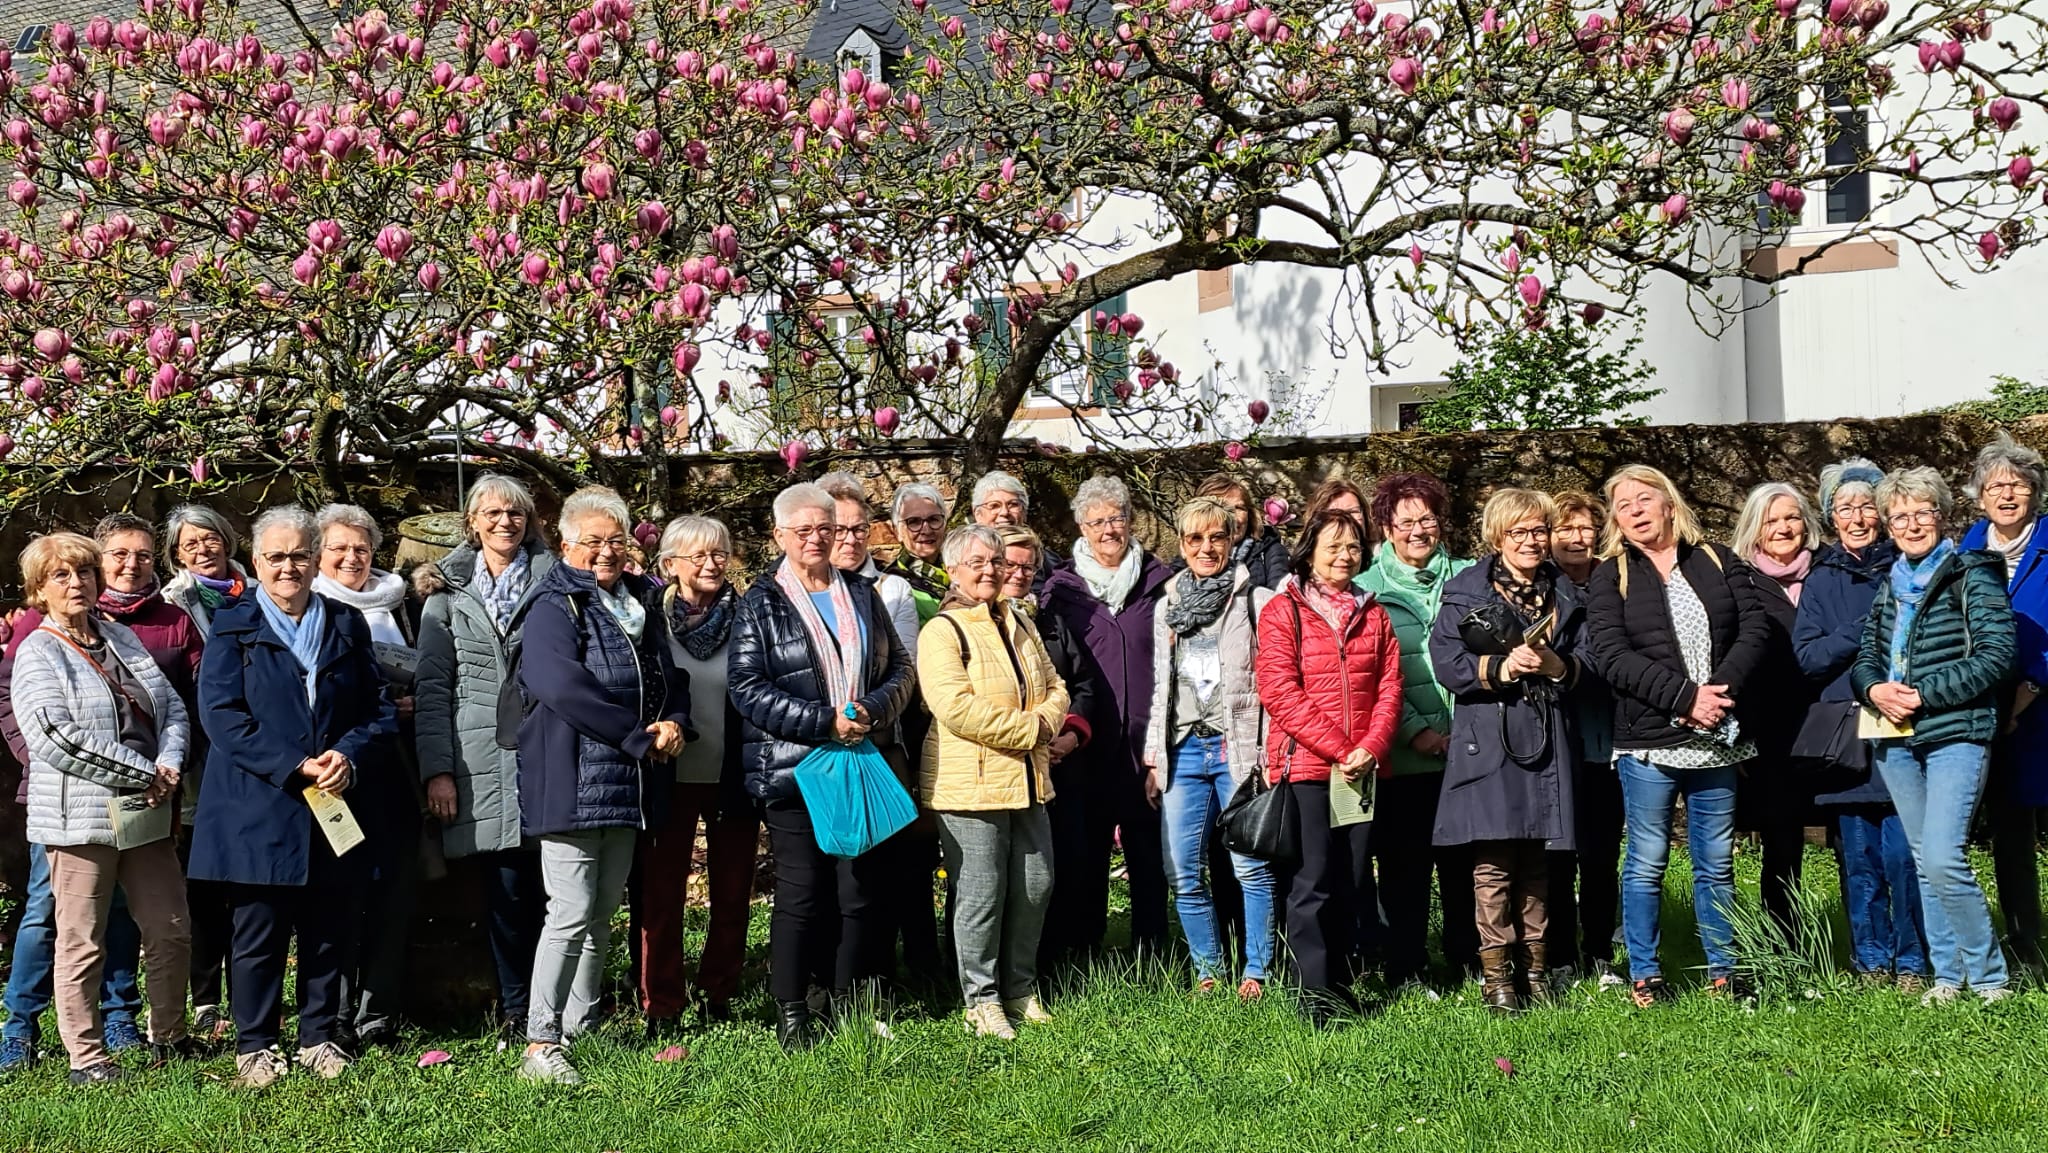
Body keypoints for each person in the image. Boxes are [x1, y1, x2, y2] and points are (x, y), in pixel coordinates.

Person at [190, 506, 400, 1089]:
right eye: (276, 557)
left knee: (328, 923)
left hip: (332, 801)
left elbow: (377, 709)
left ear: (315, 561)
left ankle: (318, 1036)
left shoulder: (344, 622)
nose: (289, 567)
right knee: (258, 932)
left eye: (300, 556)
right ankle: (255, 1044)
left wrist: (346, 757)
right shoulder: (232, 626)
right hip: (259, 803)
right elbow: (223, 717)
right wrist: (294, 765)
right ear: (256, 562)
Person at [0, 514, 208, 1071]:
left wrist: (167, 762)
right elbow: (53, 735)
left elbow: (171, 710)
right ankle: (86, 1055)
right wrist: (145, 772)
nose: (77, 583)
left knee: (169, 928)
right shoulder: (38, 650)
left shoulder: (119, 636)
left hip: (145, 810)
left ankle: (169, 1036)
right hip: (81, 818)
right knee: (81, 939)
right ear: (39, 589)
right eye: (61, 575)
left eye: (85, 572)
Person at [729, 482, 917, 1051]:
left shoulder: (862, 593)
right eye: (804, 530)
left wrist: (875, 709)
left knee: (858, 891)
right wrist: (822, 721)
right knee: (802, 894)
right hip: (793, 769)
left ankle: (848, 1000)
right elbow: (746, 688)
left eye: (826, 529)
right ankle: (792, 1009)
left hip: (860, 757)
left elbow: (901, 667)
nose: (817, 539)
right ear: (780, 535)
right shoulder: (759, 602)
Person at [514, 486, 689, 1084]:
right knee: (568, 912)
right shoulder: (552, 605)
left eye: (615, 539)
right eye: (592, 541)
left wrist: (675, 721)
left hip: (627, 783)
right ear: (566, 545)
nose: (605, 551)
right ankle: (540, 1043)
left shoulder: (641, 601)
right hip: (569, 778)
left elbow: (671, 677)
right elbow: (562, 687)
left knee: (599, 914)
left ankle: (581, 1027)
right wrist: (640, 738)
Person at [1584, 465, 1770, 1007]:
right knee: (1646, 860)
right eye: (1623, 505)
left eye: (1645, 499)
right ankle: (1645, 973)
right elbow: (1612, 656)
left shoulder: (1717, 559)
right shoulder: (1610, 575)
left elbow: (1754, 628)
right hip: (1647, 741)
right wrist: (1684, 699)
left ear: (1670, 504)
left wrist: (1715, 696)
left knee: (1716, 862)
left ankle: (1725, 971)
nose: (1636, 511)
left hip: (1719, 735)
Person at [1856, 467, 2016, 1002]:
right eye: (1899, 516)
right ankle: (1949, 977)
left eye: (1922, 512)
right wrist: (1875, 689)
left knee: (1945, 855)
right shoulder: (1890, 583)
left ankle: (1990, 978)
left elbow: (1996, 655)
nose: (1911, 523)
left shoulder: (1972, 574)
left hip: (1956, 730)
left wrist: (1923, 692)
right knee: (1924, 860)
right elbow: (1865, 658)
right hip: (1893, 735)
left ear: (1942, 517)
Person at [1428, 490, 1586, 1012]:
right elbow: (1445, 661)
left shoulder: (1565, 591)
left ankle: (1536, 972)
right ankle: (1497, 976)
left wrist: (1555, 666)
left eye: (1539, 530)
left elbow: (1590, 655)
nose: (1531, 541)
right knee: (1493, 864)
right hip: (1489, 737)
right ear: (1498, 537)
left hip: (1546, 732)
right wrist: (1499, 668)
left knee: (1539, 859)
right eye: (1519, 532)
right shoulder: (1466, 590)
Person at [413, 474, 554, 1032]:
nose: (504, 522)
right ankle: (519, 1010)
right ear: (471, 522)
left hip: (548, 751)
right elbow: (432, 688)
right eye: (491, 513)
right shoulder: (444, 596)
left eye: (515, 513)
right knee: (505, 893)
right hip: (478, 761)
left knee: (558, 891)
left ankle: (560, 1006)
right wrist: (438, 772)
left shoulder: (558, 581)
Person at [918, 526, 1070, 1037]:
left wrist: (1048, 719)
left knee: (1034, 885)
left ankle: (1020, 989)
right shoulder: (943, 631)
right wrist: (1033, 729)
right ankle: (980, 1000)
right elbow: (953, 705)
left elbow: (1055, 685)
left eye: (996, 561)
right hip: (970, 784)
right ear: (954, 570)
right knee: (981, 893)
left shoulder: (1020, 620)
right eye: (977, 562)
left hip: (1027, 779)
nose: (990, 570)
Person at [1254, 507, 1402, 1027]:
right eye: (1333, 546)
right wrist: (1341, 749)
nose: (1345, 556)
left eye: (1354, 547)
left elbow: (1390, 688)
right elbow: (1279, 691)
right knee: (1312, 881)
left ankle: (1342, 985)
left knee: (1353, 879)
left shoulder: (1374, 614)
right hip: (1309, 771)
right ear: (1310, 550)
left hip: (1361, 771)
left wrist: (1372, 746)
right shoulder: (1283, 611)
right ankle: (1315, 995)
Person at [1793, 459, 1928, 988]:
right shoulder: (1822, 577)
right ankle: (1870, 960)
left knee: (1904, 856)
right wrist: (1865, 625)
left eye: (1866, 505)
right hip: (1849, 737)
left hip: (1903, 727)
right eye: (1844, 507)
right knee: (1859, 860)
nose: (1857, 516)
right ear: (1831, 516)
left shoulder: (1911, 564)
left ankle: (1914, 961)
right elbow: (1808, 657)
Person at [1142, 497, 1277, 999]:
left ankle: (1257, 971)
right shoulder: (1167, 608)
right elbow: (1163, 688)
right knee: (1182, 870)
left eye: (1217, 537)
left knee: (1250, 867)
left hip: (1236, 747)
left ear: (1231, 540)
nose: (1206, 548)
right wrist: (1155, 757)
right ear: (1181, 544)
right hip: (1184, 750)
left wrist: (1268, 750)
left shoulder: (1254, 602)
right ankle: (1207, 971)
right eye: (1195, 539)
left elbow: (1271, 685)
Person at [1040, 476, 1174, 954]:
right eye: (1097, 521)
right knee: (1086, 856)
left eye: (1116, 517)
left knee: (1147, 855)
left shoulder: (1161, 583)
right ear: (1081, 526)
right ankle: (1085, 951)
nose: (1108, 529)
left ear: (1131, 519)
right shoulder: (1060, 592)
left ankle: (1152, 953)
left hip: (1145, 745)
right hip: (1085, 746)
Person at [634, 515, 758, 1029]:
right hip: (669, 774)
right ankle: (661, 1002)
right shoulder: (646, 617)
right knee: (661, 897)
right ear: (669, 565)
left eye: (720, 554)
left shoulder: (750, 614)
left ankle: (718, 992)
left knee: (733, 892)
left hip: (735, 773)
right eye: (699, 556)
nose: (712, 565)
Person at [1356, 473, 1477, 990]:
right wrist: (1415, 732)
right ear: (1386, 528)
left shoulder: (1472, 578)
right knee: (1404, 871)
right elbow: (1367, 676)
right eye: (1404, 522)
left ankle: (1468, 960)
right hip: (1403, 760)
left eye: (1426, 519)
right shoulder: (1365, 590)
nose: (1417, 530)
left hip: (1470, 753)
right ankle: (1407, 965)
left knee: (1464, 869)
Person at [312, 503, 420, 1048]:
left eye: (361, 548)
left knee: (395, 888)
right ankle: (332, 1013)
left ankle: (377, 1014)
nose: (352, 557)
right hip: (333, 771)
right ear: (318, 555)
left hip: (397, 765)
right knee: (337, 891)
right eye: (339, 548)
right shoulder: (309, 607)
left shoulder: (399, 602)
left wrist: (412, 701)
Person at [996, 523, 1105, 971]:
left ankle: (1060, 960)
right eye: (1010, 564)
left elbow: (1082, 684)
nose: (1020, 574)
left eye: (1029, 565)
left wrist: (1072, 734)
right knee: (1002, 875)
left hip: (1060, 764)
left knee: (1062, 864)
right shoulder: (973, 622)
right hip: (1005, 766)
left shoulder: (1050, 620)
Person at [1956, 433, 2047, 967]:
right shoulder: (1964, 554)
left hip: (2039, 712)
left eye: (2017, 485)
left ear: (2035, 492)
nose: (2007, 495)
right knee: (2004, 834)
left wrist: (2030, 689)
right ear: (1979, 496)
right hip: (1983, 716)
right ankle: (2018, 944)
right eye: (1995, 486)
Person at [1728, 482, 1824, 943]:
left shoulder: (1830, 571)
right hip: (1769, 731)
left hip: (1833, 724)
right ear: (1754, 529)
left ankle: (1869, 952)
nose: (1783, 528)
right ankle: (1782, 944)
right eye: (1772, 520)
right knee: (1780, 842)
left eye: (1792, 518)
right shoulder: (1737, 581)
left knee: (1852, 840)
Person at [1543, 491, 1623, 987]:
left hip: (1607, 742)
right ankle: (1558, 957)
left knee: (1601, 855)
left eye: (1584, 528)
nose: (1575, 538)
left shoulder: (1616, 582)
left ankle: (1598, 951)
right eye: (1564, 529)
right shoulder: (1540, 586)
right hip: (1555, 741)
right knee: (1555, 858)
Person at [818, 473, 921, 661]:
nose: (851, 540)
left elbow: (906, 664)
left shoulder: (894, 590)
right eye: (839, 530)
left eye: (859, 529)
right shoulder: (798, 590)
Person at [160, 504, 249, 642]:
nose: (202, 550)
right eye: (191, 545)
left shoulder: (258, 590)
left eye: (211, 539)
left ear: (225, 543)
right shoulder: (173, 601)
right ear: (178, 555)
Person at [1192, 474, 1291, 589]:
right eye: (1222, 508)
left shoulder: (1270, 551)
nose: (1234, 517)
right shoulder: (1190, 555)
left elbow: (1280, 598)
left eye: (1239, 508)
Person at [884, 483, 951, 624]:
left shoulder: (962, 570)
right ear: (897, 532)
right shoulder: (892, 585)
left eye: (934, 519)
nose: (926, 530)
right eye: (913, 522)